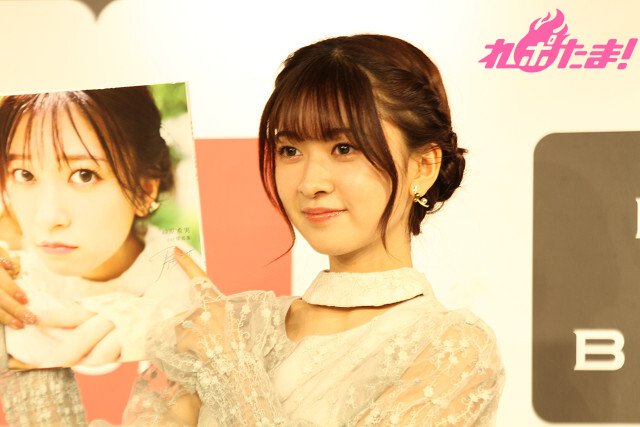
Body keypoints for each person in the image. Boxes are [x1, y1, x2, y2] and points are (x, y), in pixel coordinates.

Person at [1, 35, 504, 426]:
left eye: (344, 148)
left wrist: (228, 368)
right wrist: (20, 336)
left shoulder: (454, 348)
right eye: (290, 149)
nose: (310, 182)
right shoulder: (236, 322)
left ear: (423, 166)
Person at [0, 86, 195, 371]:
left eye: (84, 175)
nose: (47, 218)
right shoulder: (13, 277)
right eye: (25, 174)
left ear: (144, 190)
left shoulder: (188, 289)